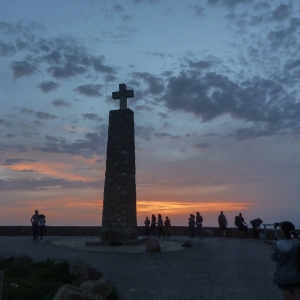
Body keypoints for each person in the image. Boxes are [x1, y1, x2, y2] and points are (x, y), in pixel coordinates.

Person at [270, 221, 300, 300]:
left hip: (284, 277)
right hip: (297, 275)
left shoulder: (278, 244)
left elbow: (274, 257)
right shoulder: (297, 243)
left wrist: (274, 246)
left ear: (283, 231)